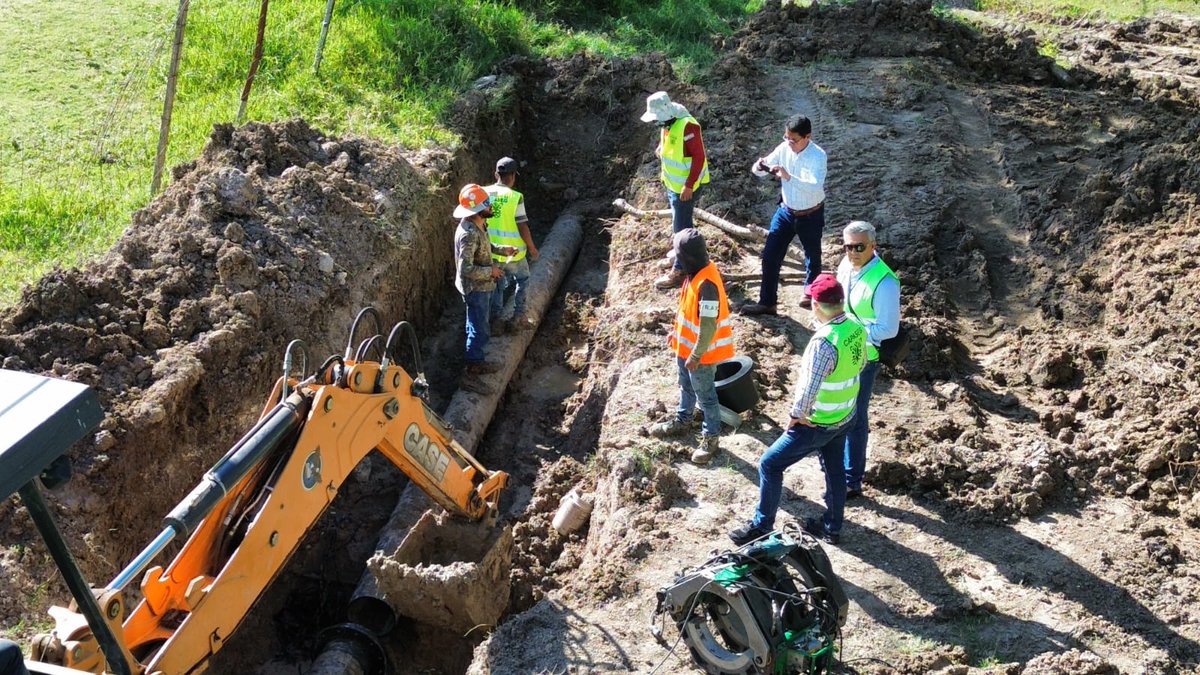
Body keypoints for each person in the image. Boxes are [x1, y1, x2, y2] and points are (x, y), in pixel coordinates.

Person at [729, 274, 865, 546]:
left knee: (770, 463)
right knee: (835, 471)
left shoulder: (824, 342)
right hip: (844, 416)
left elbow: (808, 388)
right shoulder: (855, 326)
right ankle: (832, 527)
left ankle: (761, 525)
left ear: (816, 304)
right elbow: (861, 365)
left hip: (817, 423)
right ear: (841, 301)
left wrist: (796, 416)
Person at [649, 228, 735, 464]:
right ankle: (683, 420)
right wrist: (674, 334)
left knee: (706, 397)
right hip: (686, 349)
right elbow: (687, 312)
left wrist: (696, 355)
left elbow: (708, 327)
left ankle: (711, 438)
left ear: (688, 258)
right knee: (685, 386)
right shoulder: (694, 274)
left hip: (702, 354)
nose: (676, 262)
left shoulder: (707, 285)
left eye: (678, 257)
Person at [836, 221, 900, 499]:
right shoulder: (845, 266)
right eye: (848, 246)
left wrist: (853, 333)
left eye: (859, 247)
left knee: (855, 417)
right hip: (842, 351)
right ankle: (837, 467)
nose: (853, 252)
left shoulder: (885, 282)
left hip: (865, 357)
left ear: (873, 246)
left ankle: (852, 478)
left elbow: (889, 329)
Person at [740, 114, 828, 316]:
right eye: (786, 138)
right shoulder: (784, 148)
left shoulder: (818, 156)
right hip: (786, 212)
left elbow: (815, 186)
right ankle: (767, 302)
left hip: (811, 214)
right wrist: (760, 165)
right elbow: (760, 170)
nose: (789, 143)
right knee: (770, 255)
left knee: (812, 255)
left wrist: (788, 176)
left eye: (793, 140)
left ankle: (810, 292)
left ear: (807, 137)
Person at [640, 91, 711, 290]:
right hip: (674, 185)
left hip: (686, 187)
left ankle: (680, 270)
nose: (655, 123)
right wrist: (661, 148)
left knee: (682, 228)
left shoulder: (687, 126)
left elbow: (699, 158)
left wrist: (688, 186)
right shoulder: (669, 121)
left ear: (665, 113)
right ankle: (679, 254)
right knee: (678, 222)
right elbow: (671, 142)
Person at [453, 183, 504, 395]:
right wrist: (490, 272)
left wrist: (500, 249)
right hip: (476, 288)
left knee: (477, 324)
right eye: (487, 204)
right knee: (479, 328)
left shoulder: (480, 223)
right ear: (477, 209)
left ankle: (477, 359)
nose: (491, 206)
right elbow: (465, 269)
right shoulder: (468, 233)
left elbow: (484, 248)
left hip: (483, 286)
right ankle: (471, 371)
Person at [486, 156, 540, 334]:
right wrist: (532, 248)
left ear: (496, 174)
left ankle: (497, 321)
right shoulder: (515, 197)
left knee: (497, 285)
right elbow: (522, 225)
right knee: (523, 281)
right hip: (514, 253)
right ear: (514, 176)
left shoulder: (484, 193)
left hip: (491, 251)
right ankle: (518, 318)